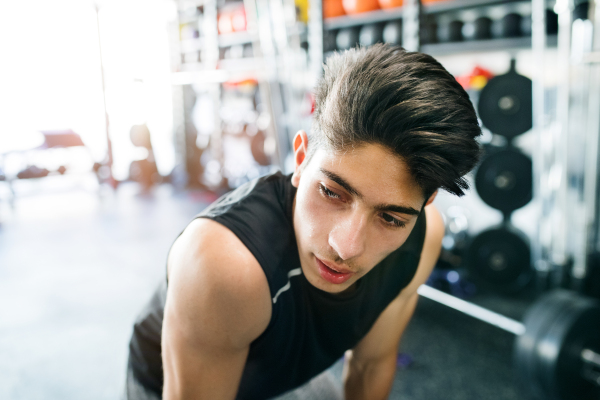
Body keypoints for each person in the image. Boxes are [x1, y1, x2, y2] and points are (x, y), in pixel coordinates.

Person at [124, 44, 481, 400]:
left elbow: (371, 365)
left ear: (427, 202)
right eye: (331, 192)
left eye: (390, 218)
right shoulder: (225, 264)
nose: (347, 247)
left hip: (281, 373)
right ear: (301, 158)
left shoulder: (423, 237)